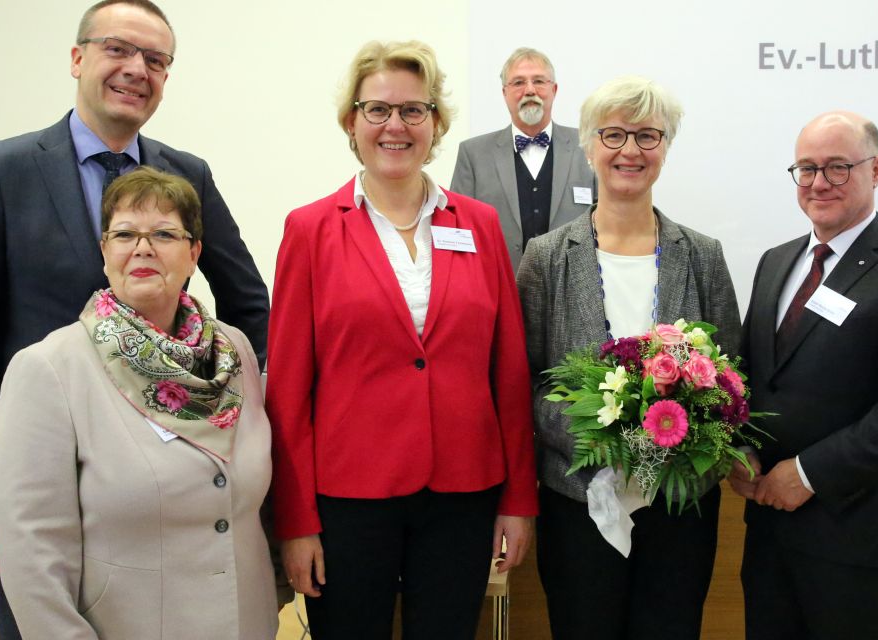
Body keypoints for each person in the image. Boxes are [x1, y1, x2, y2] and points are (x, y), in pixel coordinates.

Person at [0, 2, 269, 636]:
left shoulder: (187, 174)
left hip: (163, 478)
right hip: (42, 475)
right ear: (78, 57)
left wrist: (250, 421)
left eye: (156, 60)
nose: (137, 69)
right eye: (119, 49)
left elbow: (248, 301)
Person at [266, 40, 537, 640]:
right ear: (351, 122)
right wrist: (296, 522)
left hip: (463, 495)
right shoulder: (309, 229)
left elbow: (509, 373)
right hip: (348, 499)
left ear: (435, 123)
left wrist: (517, 500)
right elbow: (287, 390)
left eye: (414, 110)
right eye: (378, 110)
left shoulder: (479, 225)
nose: (396, 125)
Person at [0, 167, 289, 639]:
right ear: (105, 251)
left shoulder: (235, 351)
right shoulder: (49, 368)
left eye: (165, 234)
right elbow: (30, 549)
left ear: (194, 255)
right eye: (125, 233)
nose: (143, 247)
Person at [517, 76, 740, 640]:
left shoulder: (704, 255)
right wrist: (599, 430)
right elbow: (525, 380)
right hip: (577, 498)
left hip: (682, 501)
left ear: (665, 148)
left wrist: (693, 428)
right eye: (613, 135)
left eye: (647, 136)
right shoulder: (545, 258)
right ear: (589, 146)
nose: (630, 151)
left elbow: (733, 376)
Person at [730, 111, 878, 640]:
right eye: (806, 168)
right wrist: (738, 447)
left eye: (838, 167)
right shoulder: (775, 262)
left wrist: (808, 473)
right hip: (768, 530)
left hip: (852, 534)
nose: (818, 183)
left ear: (876, 169)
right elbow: (748, 376)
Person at [451, 47, 595, 269]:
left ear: (554, 89)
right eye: (518, 83)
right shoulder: (473, 155)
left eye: (539, 81)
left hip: (570, 293)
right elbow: (458, 233)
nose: (529, 90)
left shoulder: (588, 146)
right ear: (504, 93)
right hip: (498, 289)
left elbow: (606, 225)